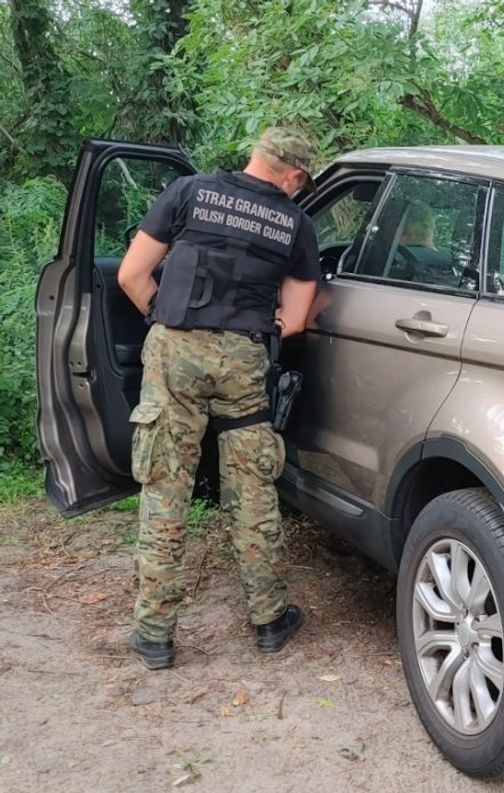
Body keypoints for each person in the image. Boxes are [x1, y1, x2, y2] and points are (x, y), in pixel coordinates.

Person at [116, 126, 321, 670]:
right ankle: (270, 621)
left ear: (256, 157)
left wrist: (167, 319)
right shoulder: (295, 224)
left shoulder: (189, 192)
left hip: (174, 349)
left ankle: (155, 635)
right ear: (294, 176)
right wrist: (249, 327)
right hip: (243, 358)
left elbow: (132, 274)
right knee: (251, 486)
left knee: (166, 487)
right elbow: (297, 318)